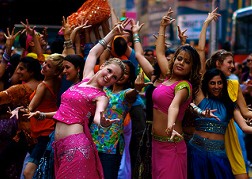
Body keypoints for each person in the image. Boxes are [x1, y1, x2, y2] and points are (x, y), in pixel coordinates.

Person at [52, 22, 128, 179]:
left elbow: (98, 115)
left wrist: (102, 121)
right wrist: (112, 33)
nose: (109, 77)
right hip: (59, 146)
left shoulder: (101, 96)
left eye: (114, 77)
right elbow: (93, 52)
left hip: (76, 147)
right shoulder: (85, 78)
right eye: (109, 71)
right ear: (102, 66)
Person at [150, 7, 202, 179]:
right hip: (157, 145)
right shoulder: (167, 78)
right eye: (179, 59)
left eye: (187, 62)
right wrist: (163, 27)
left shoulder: (184, 86)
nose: (181, 63)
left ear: (191, 68)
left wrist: (171, 126)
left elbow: (173, 106)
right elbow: (159, 53)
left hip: (172, 144)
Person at [90, 60, 144, 179]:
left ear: (130, 77)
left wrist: (137, 89)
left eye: (126, 73)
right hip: (91, 142)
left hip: (111, 148)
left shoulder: (126, 95)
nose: (121, 74)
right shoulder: (103, 89)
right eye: (120, 71)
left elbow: (131, 94)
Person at [0, 56, 43, 178]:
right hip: (40, 136)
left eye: (21, 69)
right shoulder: (42, 85)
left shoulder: (20, 89)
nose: (18, 71)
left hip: (25, 137)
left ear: (32, 72)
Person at [22, 53, 64, 179]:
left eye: (48, 66)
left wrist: (18, 109)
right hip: (51, 127)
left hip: (44, 131)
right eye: (45, 63)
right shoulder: (58, 80)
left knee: (28, 172)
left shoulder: (43, 86)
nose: (44, 66)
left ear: (56, 71)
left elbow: (30, 108)